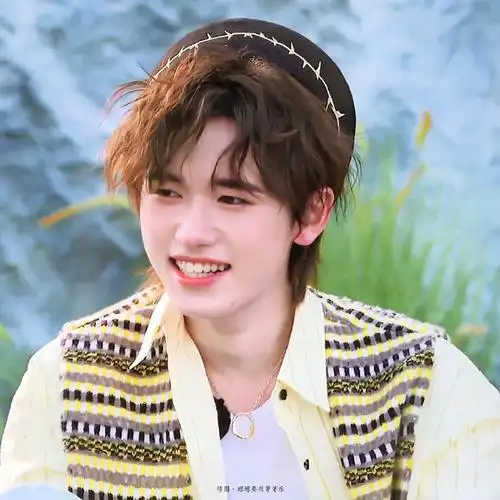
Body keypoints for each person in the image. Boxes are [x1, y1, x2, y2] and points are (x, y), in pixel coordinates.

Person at [0, 17, 499, 500]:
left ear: (312, 212)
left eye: (232, 198)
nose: (191, 233)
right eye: (168, 192)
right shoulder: (68, 381)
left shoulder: (422, 384)